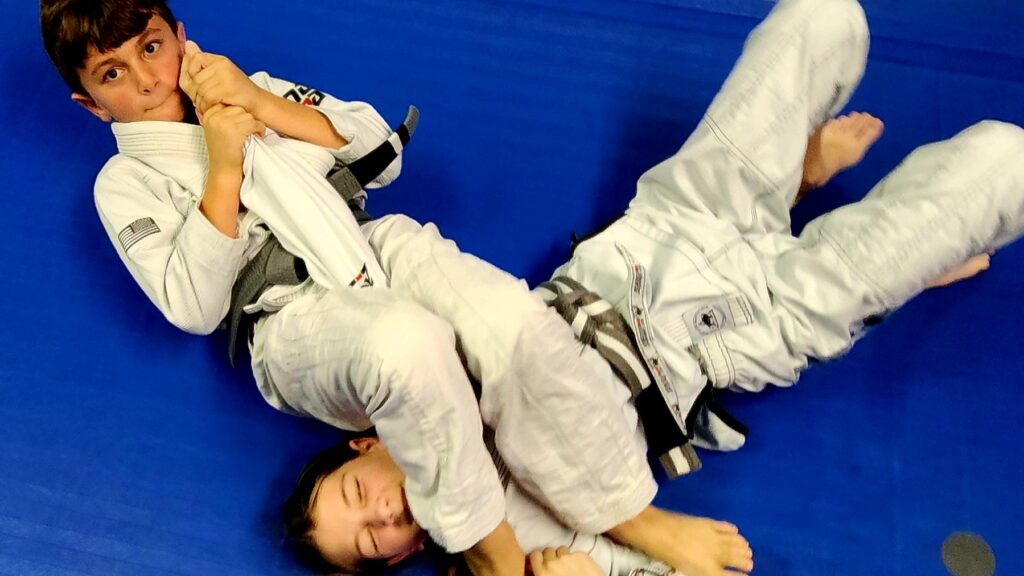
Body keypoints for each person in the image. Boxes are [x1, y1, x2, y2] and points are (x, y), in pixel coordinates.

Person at [282, 0, 1024, 572]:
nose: (383, 517)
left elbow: (415, 263)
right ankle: (846, 226)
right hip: (732, 336)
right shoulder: (512, 548)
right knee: (1005, 165)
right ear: (406, 559)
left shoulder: (418, 375)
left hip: (653, 240)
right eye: (373, 547)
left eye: (357, 498)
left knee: (824, 17)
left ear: (365, 443)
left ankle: (798, 186)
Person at [39, 2, 754, 575]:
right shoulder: (123, 183)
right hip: (286, 319)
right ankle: (493, 553)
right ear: (89, 103)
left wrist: (259, 102)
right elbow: (192, 307)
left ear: (178, 35)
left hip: (369, 243)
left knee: (511, 319)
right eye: (112, 72)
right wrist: (224, 169)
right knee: (408, 350)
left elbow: (378, 153)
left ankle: (626, 511)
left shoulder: (239, 83)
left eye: (151, 47)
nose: (145, 77)